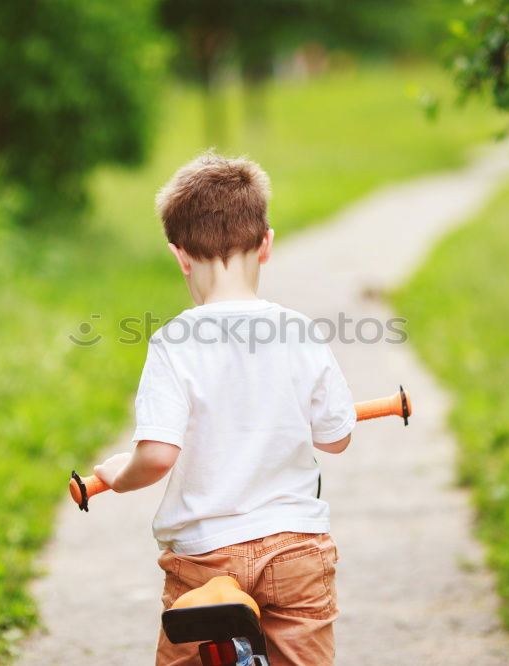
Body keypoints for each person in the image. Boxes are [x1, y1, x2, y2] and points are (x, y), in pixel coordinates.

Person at [93, 151, 355, 666]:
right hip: (296, 552)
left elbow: (157, 456)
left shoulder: (174, 344)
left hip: (204, 561)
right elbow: (336, 437)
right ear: (267, 245)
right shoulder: (301, 332)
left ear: (179, 255)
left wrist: (118, 474)